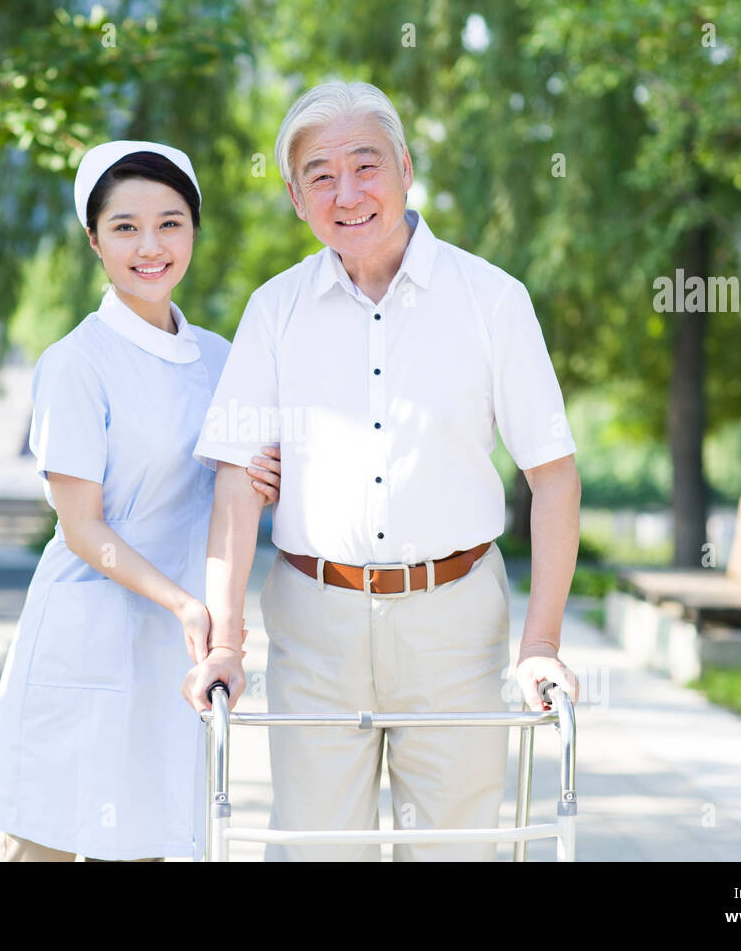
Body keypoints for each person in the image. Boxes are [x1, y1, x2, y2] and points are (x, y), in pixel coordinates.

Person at [184, 82, 582, 861]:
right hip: (313, 620)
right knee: (315, 850)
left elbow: (555, 477)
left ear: (404, 166)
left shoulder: (492, 300)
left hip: (455, 619)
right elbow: (236, 480)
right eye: (320, 176)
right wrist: (226, 641)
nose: (348, 192)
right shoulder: (273, 309)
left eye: (365, 165)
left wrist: (541, 642)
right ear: (298, 200)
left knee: (456, 851)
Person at [0, 140, 282, 862]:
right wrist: (183, 604)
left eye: (171, 223)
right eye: (125, 227)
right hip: (90, 627)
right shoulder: (76, 362)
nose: (151, 246)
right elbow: (82, 526)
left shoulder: (220, 357)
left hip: (175, 649)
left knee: (147, 839)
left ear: (195, 231)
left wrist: (266, 483)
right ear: (93, 239)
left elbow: (231, 489)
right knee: (43, 845)